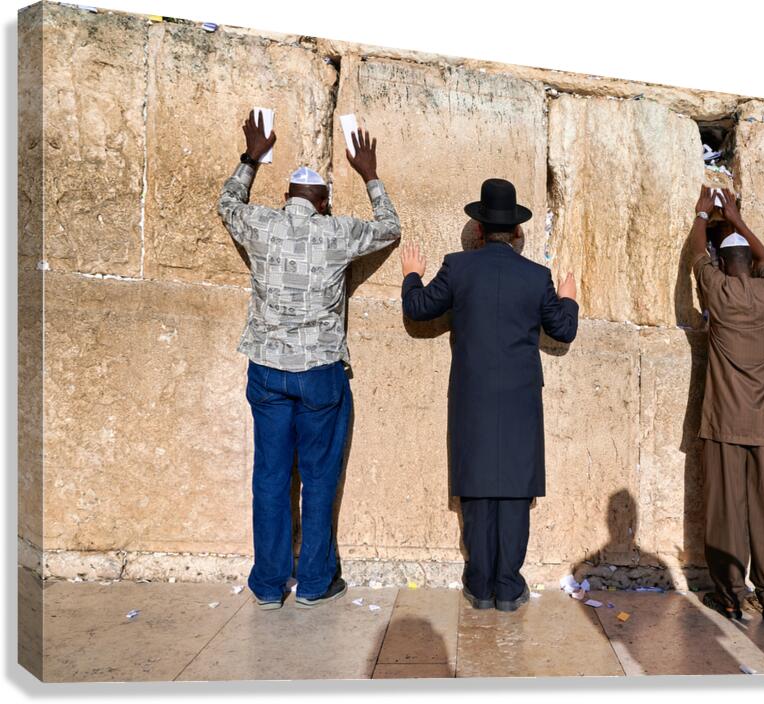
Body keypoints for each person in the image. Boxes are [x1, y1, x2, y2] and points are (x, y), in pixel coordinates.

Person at [218, 111, 401, 609]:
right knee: (319, 479)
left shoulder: (261, 225)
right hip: (320, 374)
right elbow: (390, 227)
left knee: (271, 478)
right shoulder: (335, 232)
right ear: (323, 202)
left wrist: (250, 158)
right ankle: (316, 582)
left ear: (287, 199)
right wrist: (369, 173)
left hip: (268, 372)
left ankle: (269, 585)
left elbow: (227, 202)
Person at [399, 178, 578, 612]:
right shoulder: (537, 277)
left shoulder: (457, 268)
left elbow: (418, 308)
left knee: (477, 487)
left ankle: (479, 586)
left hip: (473, 397)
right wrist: (568, 299)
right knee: (516, 490)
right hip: (519, 400)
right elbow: (563, 329)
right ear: (516, 234)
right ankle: (508, 585)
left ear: (478, 231)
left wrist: (410, 275)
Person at [689, 186, 764, 621]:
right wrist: (738, 219)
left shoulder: (719, 293)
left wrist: (702, 214)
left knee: (725, 509)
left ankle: (729, 594)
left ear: (724, 265)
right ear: (750, 264)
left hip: (725, 422)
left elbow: (697, 255)